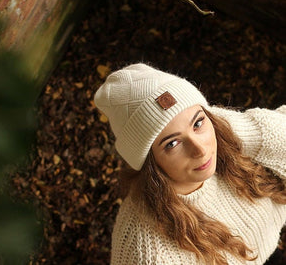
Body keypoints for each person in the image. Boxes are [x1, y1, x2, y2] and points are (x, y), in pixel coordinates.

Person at [94, 63, 286, 265]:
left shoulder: (226, 146)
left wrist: (231, 129)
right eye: (172, 143)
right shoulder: (148, 254)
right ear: (149, 162)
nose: (201, 150)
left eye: (198, 123)